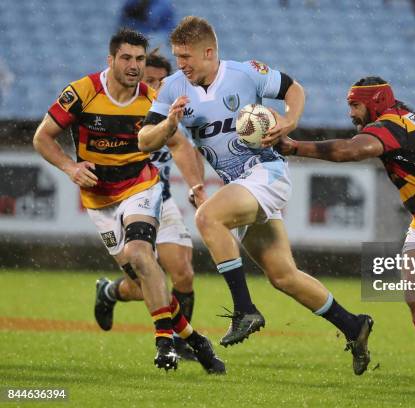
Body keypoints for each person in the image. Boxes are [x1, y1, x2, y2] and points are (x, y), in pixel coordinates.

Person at [137, 16, 374, 375]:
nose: (181, 63)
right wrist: (169, 125)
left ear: (209, 52)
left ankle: (244, 308)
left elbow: (294, 89)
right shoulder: (172, 88)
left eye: (186, 56)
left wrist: (289, 121)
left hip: (267, 172)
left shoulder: (246, 73)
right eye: (177, 56)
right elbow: (144, 140)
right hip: (242, 183)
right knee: (284, 276)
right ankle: (353, 325)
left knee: (207, 217)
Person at [276, 76, 415, 388]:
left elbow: (349, 152)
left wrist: (294, 146)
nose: (351, 113)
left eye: (355, 105)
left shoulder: (392, 124)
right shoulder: (395, 121)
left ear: (376, 102)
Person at [32, 28, 224, 374]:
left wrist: (190, 173)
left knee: (145, 256)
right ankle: (195, 339)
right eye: (127, 58)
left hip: (141, 187)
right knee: (143, 276)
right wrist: (70, 167)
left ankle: (164, 343)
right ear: (111, 60)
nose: (134, 65)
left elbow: (177, 143)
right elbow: (42, 137)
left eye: (139, 58)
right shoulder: (82, 91)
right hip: (98, 200)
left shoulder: (151, 99)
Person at [94, 49, 203, 362]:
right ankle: (110, 292)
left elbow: (188, 150)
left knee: (183, 272)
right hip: (129, 201)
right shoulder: (129, 111)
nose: (155, 85)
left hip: (163, 199)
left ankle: (182, 345)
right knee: (143, 285)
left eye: (160, 80)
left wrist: (197, 187)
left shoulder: (175, 110)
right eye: (149, 79)